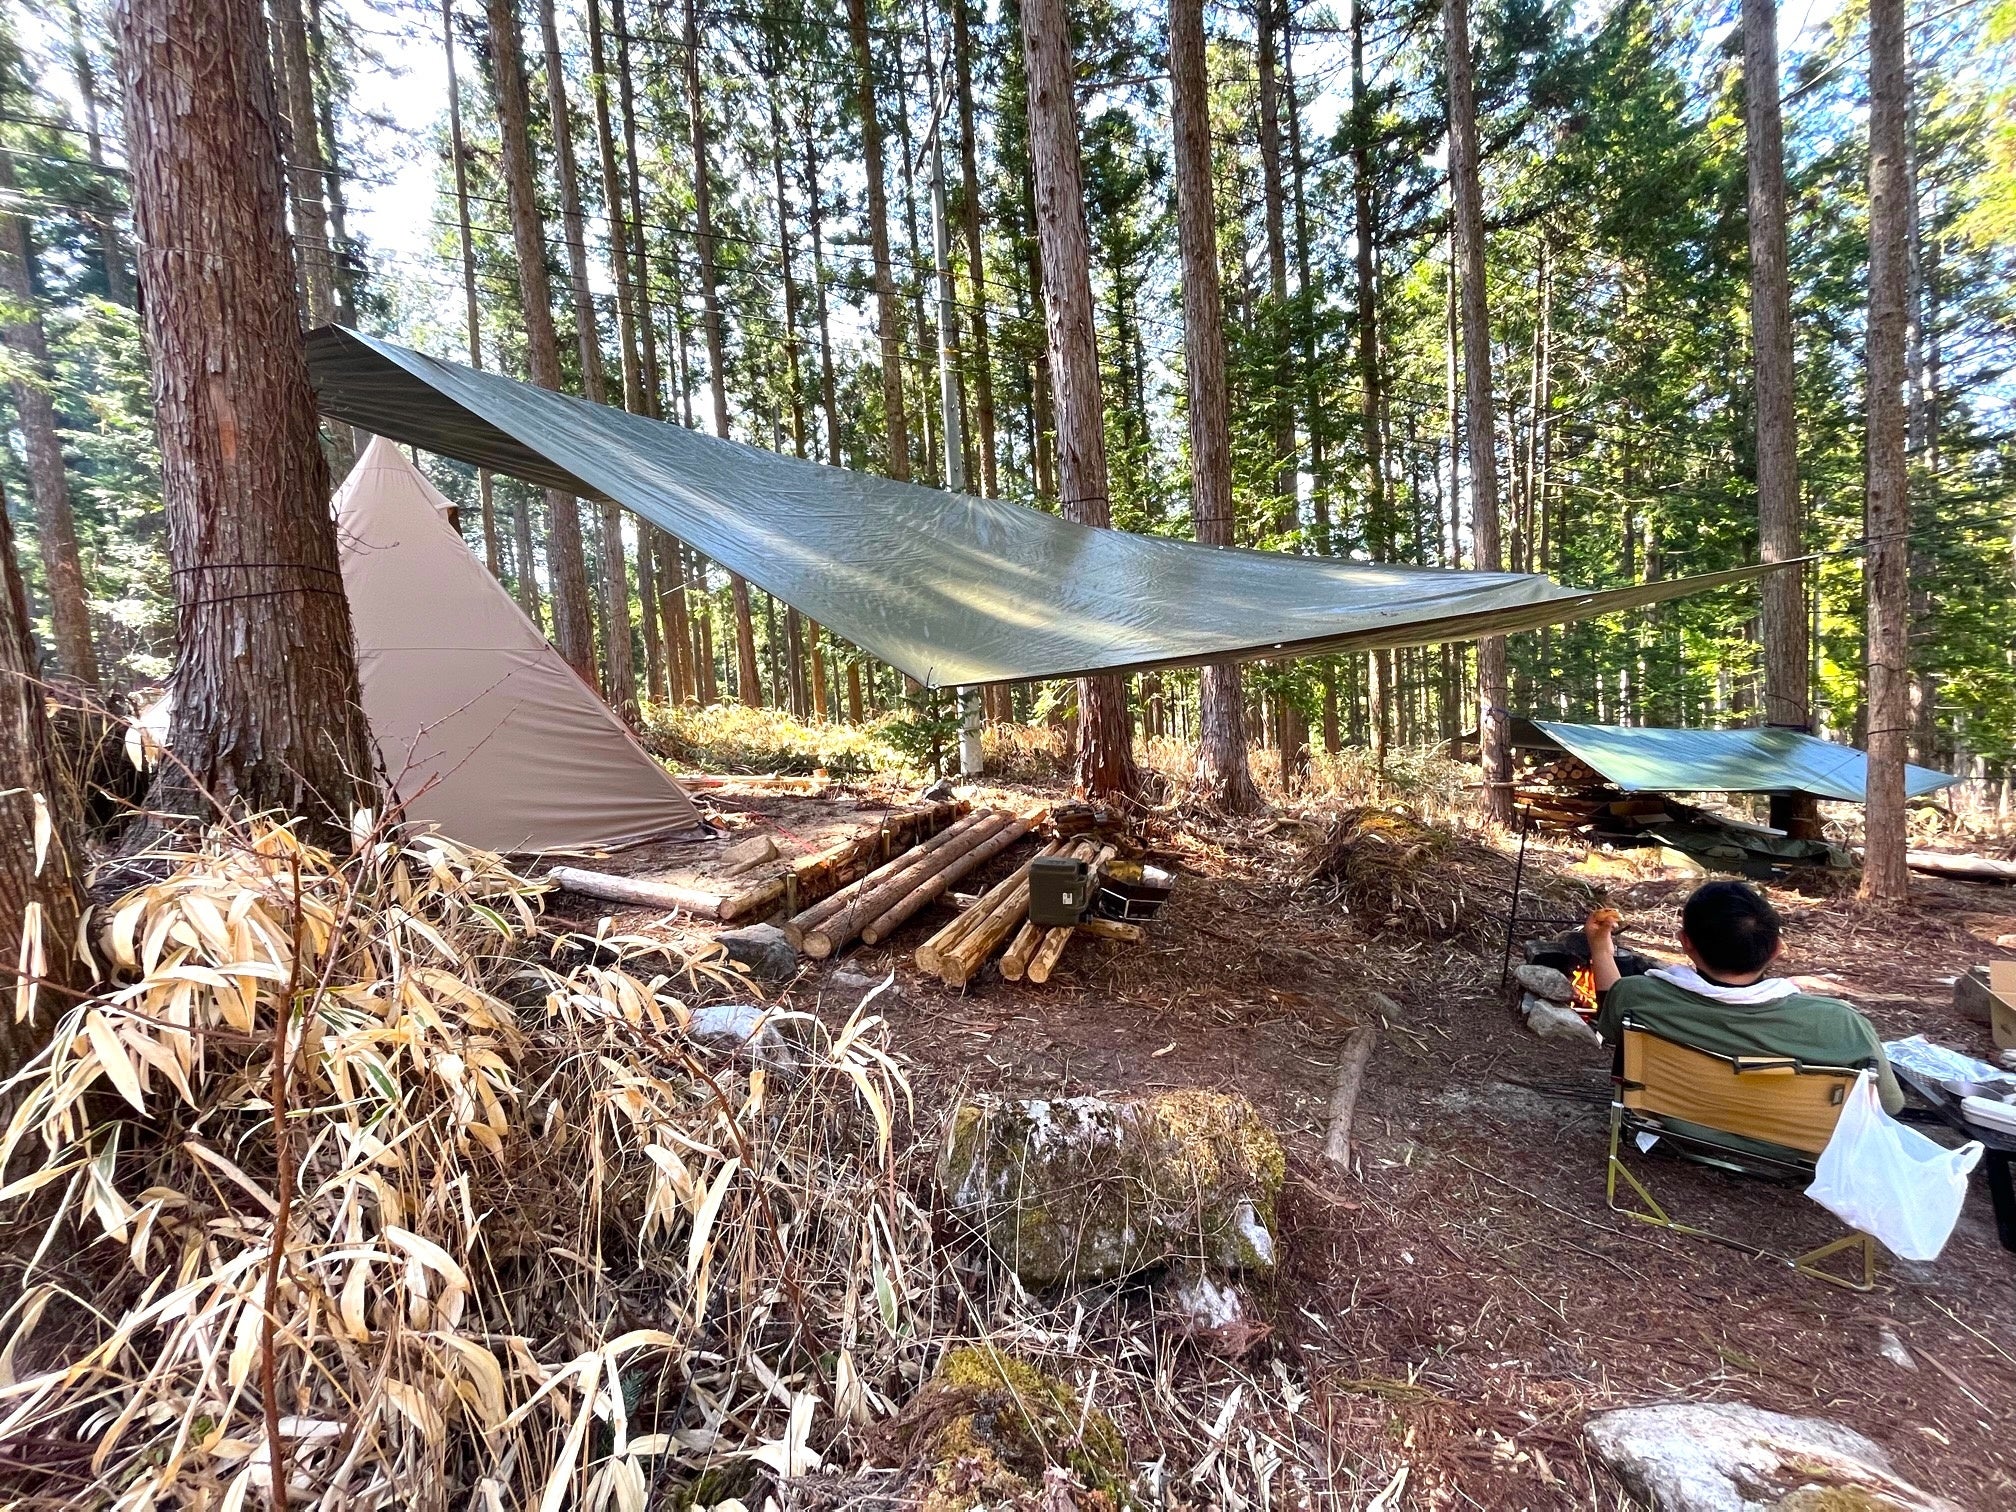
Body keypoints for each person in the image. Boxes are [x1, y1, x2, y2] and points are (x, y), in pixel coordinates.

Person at [1589, 881, 1904, 1115]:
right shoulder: (1840, 1023)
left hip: (1675, 1126)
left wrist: (1600, 948)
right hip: (1793, 1145)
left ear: (1685, 943)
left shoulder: (1640, 996)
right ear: (1777, 949)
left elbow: (1611, 1022)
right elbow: (1890, 1104)